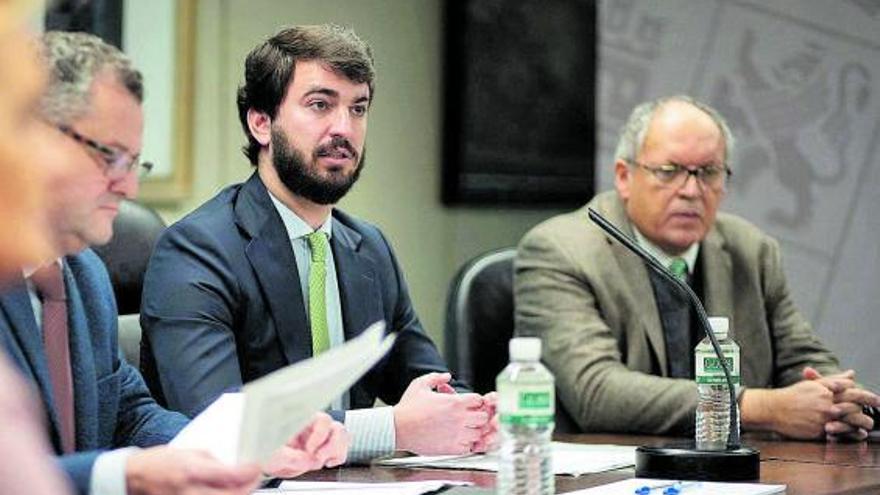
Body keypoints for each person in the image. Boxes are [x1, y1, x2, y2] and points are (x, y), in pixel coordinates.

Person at [0, 31, 347, 495]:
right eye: (110, 157)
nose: (128, 188)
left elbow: (128, 413)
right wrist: (126, 474)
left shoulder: (84, 275)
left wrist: (243, 447)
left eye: (135, 163)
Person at [140, 24, 496, 461]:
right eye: (320, 105)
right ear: (261, 123)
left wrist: (474, 414)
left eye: (358, 108)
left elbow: (429, 380)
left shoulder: (368, 247)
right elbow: (215, 422)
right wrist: (391, 428)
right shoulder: (197, 250)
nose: (343, 128)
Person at [515, 95, 879, 441]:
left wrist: (836, 400)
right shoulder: (560, 250)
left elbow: (802, 357)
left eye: (708, 172)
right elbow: (596, 391)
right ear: (625, 177)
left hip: (735, 471)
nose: (691, 190)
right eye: (670, 171)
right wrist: (760, 408)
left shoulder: (750, 250)